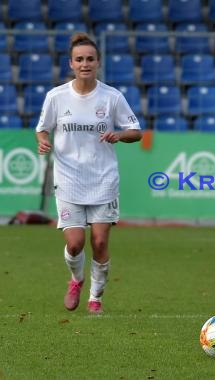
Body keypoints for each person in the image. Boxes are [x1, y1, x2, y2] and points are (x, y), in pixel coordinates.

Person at [36, 33, 142, 314]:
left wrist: (119, 135)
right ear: (71, 63)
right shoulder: (56, 96)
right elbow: (42, 127)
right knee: (75, 243)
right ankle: (76, 279)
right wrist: (42, 140)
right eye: (79, 59)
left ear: (98, 62)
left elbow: (136, 132)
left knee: (99, 241)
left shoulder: (111, 97)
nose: (85, 64)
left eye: (90, 59)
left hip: (103, 179)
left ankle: (95, 297)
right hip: (68, 179)